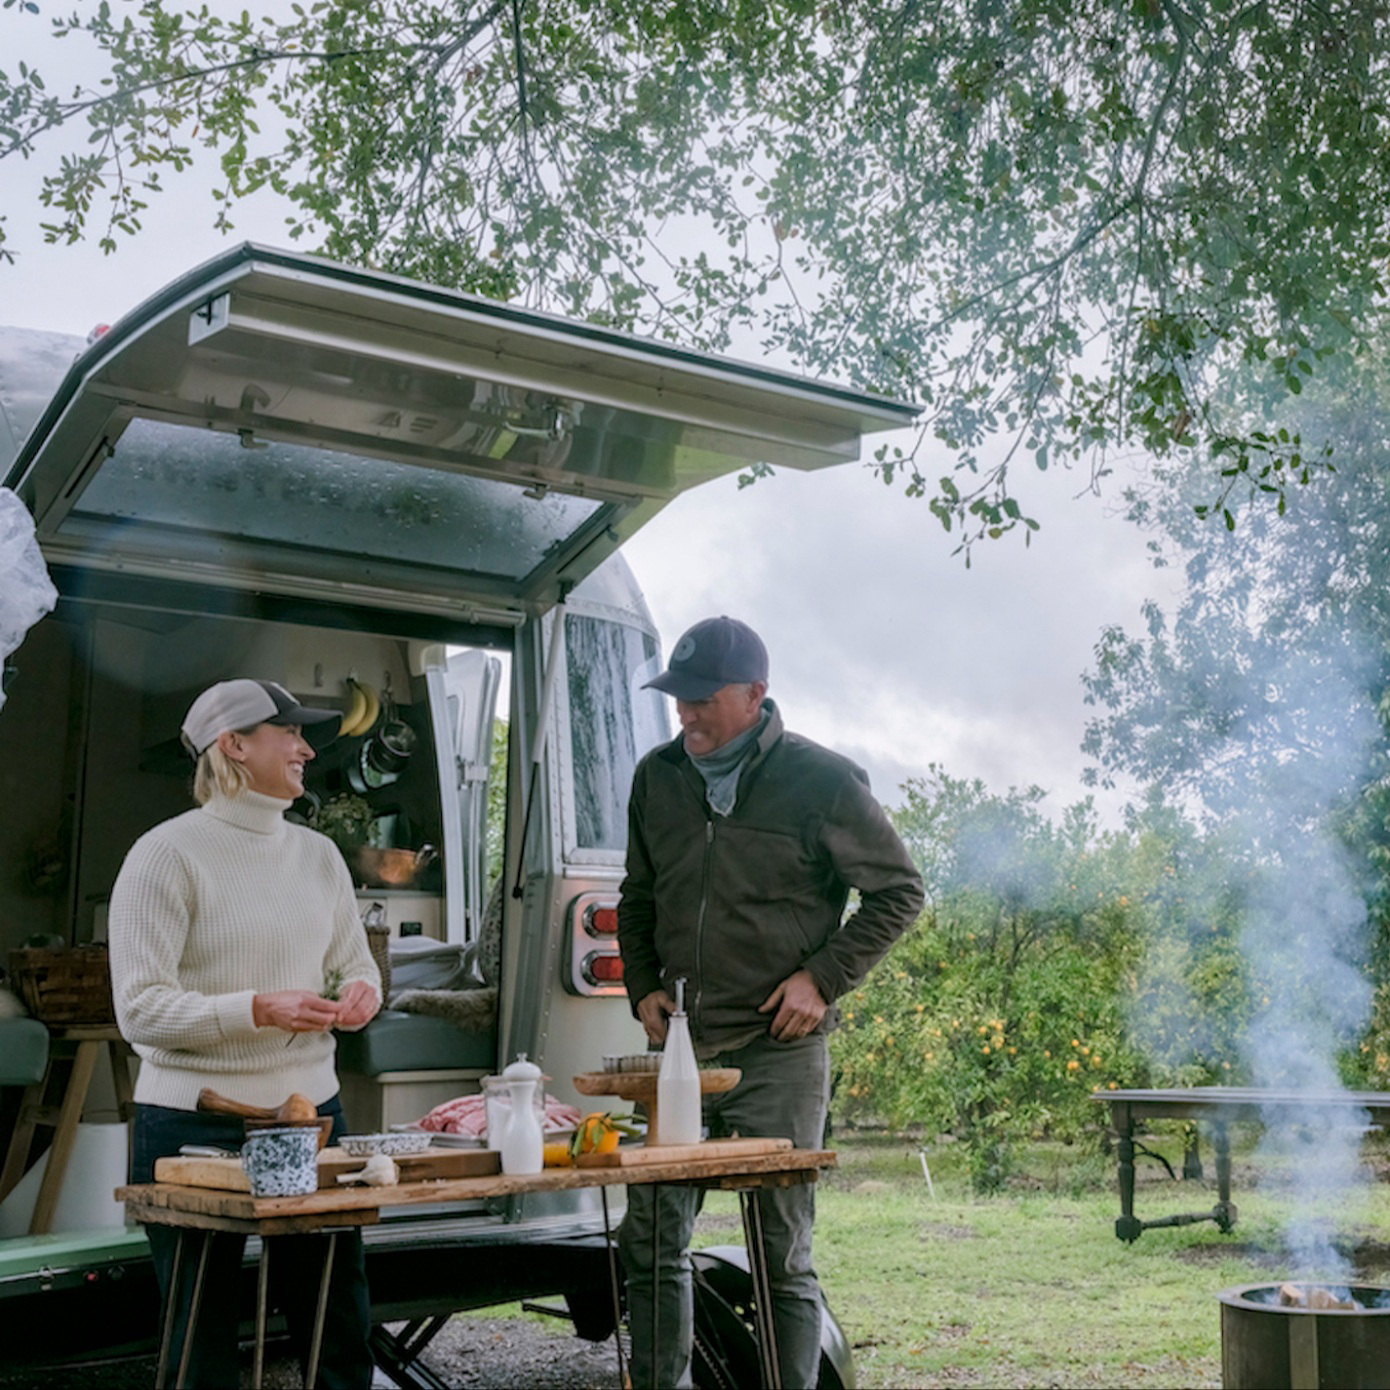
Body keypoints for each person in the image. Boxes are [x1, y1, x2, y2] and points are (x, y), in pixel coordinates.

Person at [617, 616, 925, 1389]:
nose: (685, 714)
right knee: (651, 1242)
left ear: (755, 694)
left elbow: (899, 891)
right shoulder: (657, 777)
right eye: (677, 698)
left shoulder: (821, 781)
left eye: (702, 699)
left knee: (779, 1254)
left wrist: (822, 978)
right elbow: (638, 895)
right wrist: (643, 984)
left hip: (776, 1051)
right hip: (681, 1048)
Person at [109, 678, 382, 1389]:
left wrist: (363, 995)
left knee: (337, 1325)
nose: (306, 748)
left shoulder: (319, 856)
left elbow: (357, 967)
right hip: (192, 1124)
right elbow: (138, 1010)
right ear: (233, 746)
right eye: (288, 732)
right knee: (199, 1341)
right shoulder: (164, 855)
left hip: (311, 1119)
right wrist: (256, 1009)